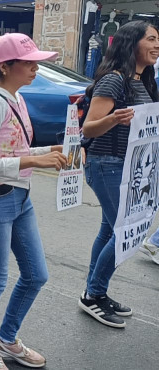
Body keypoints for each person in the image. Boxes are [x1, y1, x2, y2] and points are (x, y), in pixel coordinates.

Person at [0, 33, 67, 369]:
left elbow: (13, 151)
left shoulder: (16, 99)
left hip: (19, 197)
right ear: (5, 66)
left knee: (36, 274)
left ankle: (6, 338)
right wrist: (34, 161)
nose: (36, 68)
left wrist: (45, 151)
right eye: (29, 62)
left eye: (37, 61)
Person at [79, 21, 159, 328]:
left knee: (109, 231)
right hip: (106, 163)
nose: (157, 44)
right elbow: (89, 128)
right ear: (132, 43)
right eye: (151, 39)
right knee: (128, 232)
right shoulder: (114, 81)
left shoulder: (145, 80)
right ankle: (93, 294)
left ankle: (95, 291)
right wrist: (114, 119)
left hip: (130, 167)